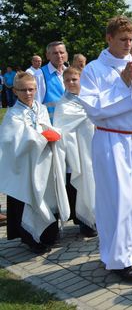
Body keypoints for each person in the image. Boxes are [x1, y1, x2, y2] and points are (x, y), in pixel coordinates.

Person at [78, 15, 132, 282]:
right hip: (110, 140)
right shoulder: (93, 70)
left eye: (131, 40)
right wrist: (124, 87)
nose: (128, 44)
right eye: (123, 39)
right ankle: (117, 260)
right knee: (118, 201)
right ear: (109, 38)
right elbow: (95, 109)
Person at [0, 72, 69, 253]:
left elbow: (46, 126)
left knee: (47, 197)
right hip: (25, 166)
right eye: (23, 90)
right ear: (15, 91)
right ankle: (31, 239)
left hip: (44, 161)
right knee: (29, 199)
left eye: (31, 89)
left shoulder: (41, 108)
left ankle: (48, 234)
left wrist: (50, 133)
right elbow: (13, 140)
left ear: (36, 89)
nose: (28, 93)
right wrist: (40, 135)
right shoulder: (13, 115)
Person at [53, 67, 97, 238]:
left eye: (74, 79)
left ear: (81, 79)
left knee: (98, 184)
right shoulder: (63, 104)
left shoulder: (91, 98)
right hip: (77, 153)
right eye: (67, 80)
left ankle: (99, 217)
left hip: (95, 148)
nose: (71, 83)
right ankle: (85, 222)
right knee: (82, 185)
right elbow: (62, 128)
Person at [42, 41, 68, 120]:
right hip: (51, 127)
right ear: (48, 56)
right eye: (55, 53)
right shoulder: (40, 75)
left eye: (62, 52)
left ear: (66, 54)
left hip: (70, 125)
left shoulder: (70, 73)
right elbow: (36, 104)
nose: (59, 56)